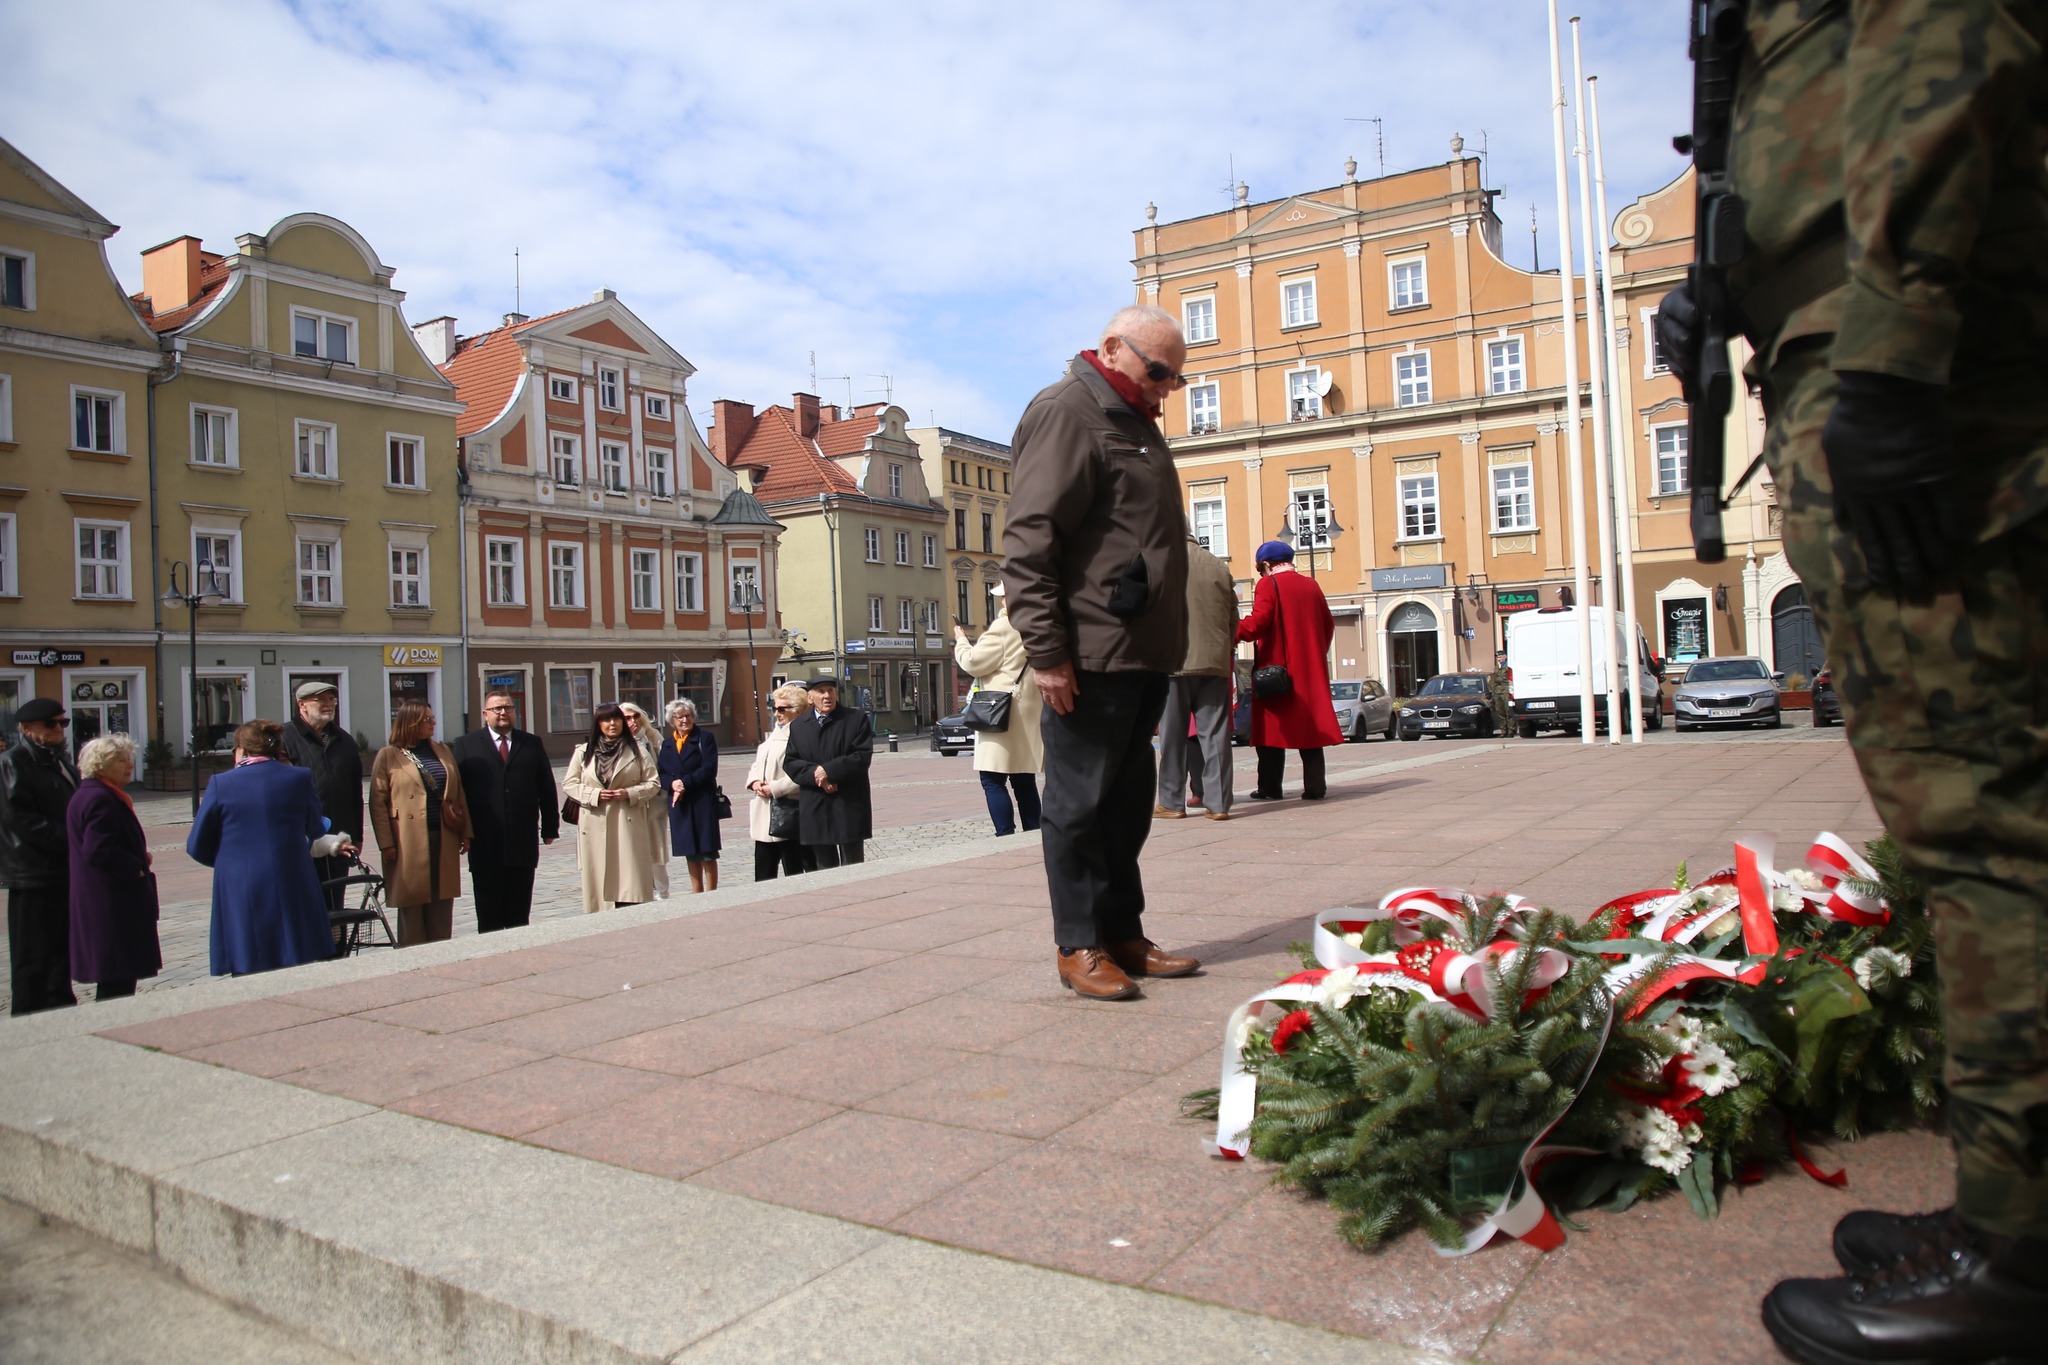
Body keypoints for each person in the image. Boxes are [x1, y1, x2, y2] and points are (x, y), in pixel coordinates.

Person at [1653, 7, 2048, 1360]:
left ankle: (2023, 1263)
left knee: (1991, 824)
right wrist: (1738, 275)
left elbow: (1953, 52)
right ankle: (2008, 1212)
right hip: (1872, 332)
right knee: (1967, 828)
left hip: (1934, 353)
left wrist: (1883, 352)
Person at [1003, 303, 1201, 1001]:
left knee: (1125, 806)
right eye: (1158, 372)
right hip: (1088, 650)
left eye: (1175, 377)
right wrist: (1049, 651)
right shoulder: (1069, 410)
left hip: (1139, 649)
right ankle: (1078, 943)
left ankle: (1121, 932)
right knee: (1078, 806)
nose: (1166, 388)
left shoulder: (1133, 421)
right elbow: (1029, 541)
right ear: (1112, 347)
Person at [188, 720, 348, 977]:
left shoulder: (221, 783)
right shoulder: (298, 777)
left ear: (241, 749)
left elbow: (196, 844)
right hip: (291, 875)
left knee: (247, 956)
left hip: (240, 882)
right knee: (294, 953)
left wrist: (229, 862)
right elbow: (314, 827)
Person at [1236, 540, 1341, 800]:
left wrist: (1231, 629)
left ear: (1266, 565)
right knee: (1310, 730)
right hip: (1310, 669)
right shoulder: (1311, 585)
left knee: (1270, 733)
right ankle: (1316, 786)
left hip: (1277, 670)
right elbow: (1328, 625)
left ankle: (1270, 788)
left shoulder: (1267, 584)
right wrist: (1316, 653)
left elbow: (1258, 623)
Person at [449, 690, 557, 933]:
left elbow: (546, 787)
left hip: (522, 839)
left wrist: (551, 827)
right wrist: (460, 831)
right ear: (485, 714)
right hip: (484, 840)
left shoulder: (531, 743)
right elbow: (457, 793)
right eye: (496, 709)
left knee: (520, 910)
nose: (502, 713)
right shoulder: (466, 745)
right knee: (488, 912)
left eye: (507, 708)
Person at [66, 734, 159, 1002]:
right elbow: (98, 849)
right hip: (111, 902)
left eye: (129, 759)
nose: (129, 765)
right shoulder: (100, 798)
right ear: (101, 765)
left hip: (105, 900)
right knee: (116, 978)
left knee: (116, 976)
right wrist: (135, 866)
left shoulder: (94, 794)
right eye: (121, 760)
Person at [368, 702, 470, 947]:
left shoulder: (443, 750)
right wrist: (386, 844)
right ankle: (412, 955)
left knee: (442, 900)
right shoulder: (389, 755)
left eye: (432, 718)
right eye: (427, 719)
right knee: (412, 903)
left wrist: (466, 831)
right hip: (406, 840)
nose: (433, 723)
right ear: (410, 722)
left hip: (443, 835)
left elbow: (459, 794)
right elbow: (377, 803)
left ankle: (441, 950)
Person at [0, 698, 78, 1015]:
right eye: (50, 724)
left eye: (63, 722)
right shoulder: (13, 762)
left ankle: (60, 1010)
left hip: (62, 872)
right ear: (27, 728)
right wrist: (74, 841)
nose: (59, 729)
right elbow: (21, 818)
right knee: (32, 959)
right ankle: (28, 1020)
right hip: (32, 873)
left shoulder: (58, 761)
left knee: (61, 953)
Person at [1156, 532, 1239, 821]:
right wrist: (1224, 647)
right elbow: (1233, 616)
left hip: (1173, 661)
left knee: (1172, 736)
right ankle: (1218, 804)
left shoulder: (1161, 562)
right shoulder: (1219, 565)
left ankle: (1171, 802)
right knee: (1215, 735)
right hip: (1215, 662)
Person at [952, 581, 1043, 836]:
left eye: (1003, 597)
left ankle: (1004, 833)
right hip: (1028, 707)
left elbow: (974, 662)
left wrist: (961, 641)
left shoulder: (1004, 626)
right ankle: (1034, 830)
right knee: (1023, 777)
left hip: (1000, 710)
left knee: (992, 778)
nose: (1001, 601)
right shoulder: (1035, 624)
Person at [562, 702, 659, 913]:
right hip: (594, 822)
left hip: (627, 820)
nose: (612, 724)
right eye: (606, 720)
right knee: (599, 880)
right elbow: (569, 783)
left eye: (616, 719)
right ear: (598, 724)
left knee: (630, 879)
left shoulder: (637, 750)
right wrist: (594, 794)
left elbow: (653, 783)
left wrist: (628, 793)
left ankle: (633, 913)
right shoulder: (584, 751)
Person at [278, 682, 362, 917]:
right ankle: (310, 953)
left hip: (339, 838)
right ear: (301, 705)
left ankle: (336, 952)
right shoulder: (284, 738)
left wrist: (357, 835)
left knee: (335, 905)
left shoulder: (344, 740)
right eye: (320, 699)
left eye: (331, 699)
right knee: (304, 907)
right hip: (301, 840)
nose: (328, 704)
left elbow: (355, 792)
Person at [782, 674, 873, 867]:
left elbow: (861, 756)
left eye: (830, 691)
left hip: (848, 802)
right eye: (821, 691)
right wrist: (817, 774)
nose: (826, 696)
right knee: (824, 868)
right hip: (816, 805)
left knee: (853, 865)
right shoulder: (799, 725)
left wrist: (829, 771)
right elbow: (791, 762)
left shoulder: (855, 719)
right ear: (809, 697)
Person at [746, 683, 812, 880]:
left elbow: (805, 771)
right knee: (763, 874)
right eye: (774, 708)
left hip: (788, 812)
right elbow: (758, 764)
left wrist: (775, 788)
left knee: (794, 871)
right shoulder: (773, 734)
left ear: (798, 711)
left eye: (782, 709)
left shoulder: (802, 735)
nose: (776, 713)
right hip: (764, 813)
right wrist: (754, 781)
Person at [656, 697, 721, 892]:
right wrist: (673, 784)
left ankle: (711, 891)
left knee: (707, 849)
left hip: (701, 800)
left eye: (688, 716)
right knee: (689, 849)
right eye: (679, 717)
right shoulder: (667, 744)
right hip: (680, 803)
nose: (685, 720)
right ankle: (696, 890)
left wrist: (685, 783)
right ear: (672, 721)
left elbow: (709, 769)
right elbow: (661, 773)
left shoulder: (704, 738)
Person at [617, 702, 671, 899]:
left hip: (654, 802)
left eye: (635, 717)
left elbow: (664, 766)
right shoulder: (617, 740)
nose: (632, 722)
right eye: (627, 718)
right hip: (630, 802)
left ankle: (662, 892)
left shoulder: (652, 737)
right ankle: (640, 890)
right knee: (632, 848)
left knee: (656, 849)